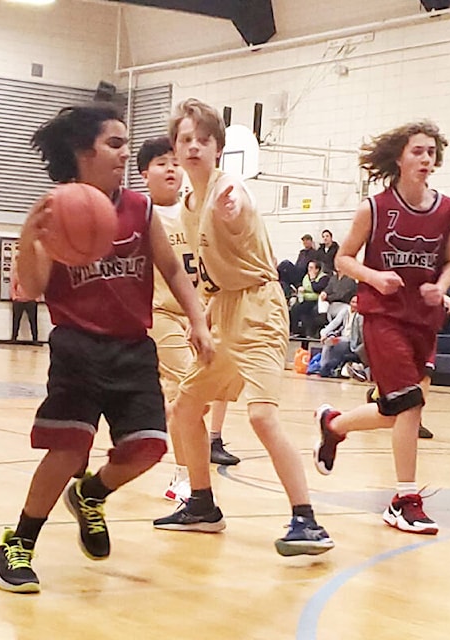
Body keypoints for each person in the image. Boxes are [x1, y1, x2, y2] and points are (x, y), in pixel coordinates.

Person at [0, 103, 214, 594]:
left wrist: (198, 319)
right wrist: (29, 236)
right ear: (81, 152)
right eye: (114, 143)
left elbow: (173, 269)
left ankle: (91, 496)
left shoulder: (141, 209)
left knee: (149, 448)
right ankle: (17, 544)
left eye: (125, 143)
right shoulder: (55, 212)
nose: (124, 152)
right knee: (68, 449)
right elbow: (30, 285)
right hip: (78, 347)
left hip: (133, 348)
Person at [152, 98, 334, 557]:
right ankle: (201, 505)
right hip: (225, 309)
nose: (193, 146)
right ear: (175, 148)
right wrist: (203, 318)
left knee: (260, 415)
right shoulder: (189, 202)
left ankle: (307, 520)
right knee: (184, 409)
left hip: (259, 307)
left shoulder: (228, 189)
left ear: (218, 148)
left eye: (203, 140)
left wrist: (233, 213)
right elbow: (210, 270)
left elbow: (239, 209)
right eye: (185, 139)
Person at [313, 120, 450, 535]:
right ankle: (404, 499)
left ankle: (334, 425)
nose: (426, 158)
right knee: (410, 403)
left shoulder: (448, 210)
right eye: (418, 151)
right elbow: (343, 258)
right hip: (383, 315)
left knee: (396, 409)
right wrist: (375, 278)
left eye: (431, 152)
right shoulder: (374, 207)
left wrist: (442, 286)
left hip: (423, 319)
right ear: (399, 157)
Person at [136, 136, 238, 503]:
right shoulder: (139, 217)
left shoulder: (195, 211)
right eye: (162, 163)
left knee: (195, 399)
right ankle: (183, 476)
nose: (171, 169)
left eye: (175, 163)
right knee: (187, 394)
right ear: (144, 173)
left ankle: (146, 421)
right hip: (161, 315)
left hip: (203, 315)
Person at [290, 260, 329, 338]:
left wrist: (312, 279)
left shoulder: (324, 277)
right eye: (308, 267)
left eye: (311, 268)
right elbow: (304, 286)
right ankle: (295, 331)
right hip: (305, 298)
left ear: (317, 269)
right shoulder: (306, 277)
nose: (309, 269)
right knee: (295, 308)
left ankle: (310, 333)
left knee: (308, 310)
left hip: (317, 300)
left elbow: (317, 288)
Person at [318, 264, 357, 338]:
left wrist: (327, 298)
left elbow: (342, 295)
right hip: (333, 303)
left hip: (345, 304)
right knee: (321, 300)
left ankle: (328, 330)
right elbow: (328, 288)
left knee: (342, 312)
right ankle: (324, 321)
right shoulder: (333, 278)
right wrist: (324, 293)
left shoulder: (350, 279)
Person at [9, 259, 42, 344]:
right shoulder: (16, 273)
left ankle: (35, 339)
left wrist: (37, 298)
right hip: (19, 300)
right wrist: (14, 297)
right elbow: (13, 285)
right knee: (16, 320)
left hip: (31, 300)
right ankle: (14, 338)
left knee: (33, 321)